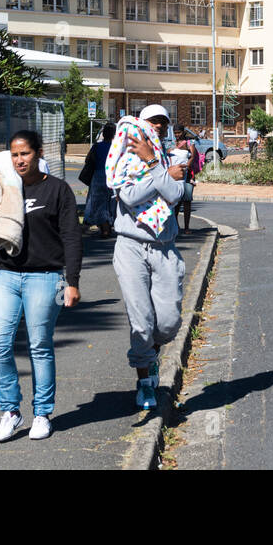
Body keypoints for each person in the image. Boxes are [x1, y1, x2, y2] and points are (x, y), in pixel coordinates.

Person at [0, 130, 82, 442]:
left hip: (45, 276)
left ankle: (41, 414)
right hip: (6, 275)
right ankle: (10, 411)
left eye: (25, 153)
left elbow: (71, 237)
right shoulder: (5, 188)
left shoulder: (58, 190)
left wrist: (73, 282)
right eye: (14, 154)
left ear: (38, 153)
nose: (19, 160)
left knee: (39, 345)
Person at [107, 105, 187, 412]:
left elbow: (176, 194)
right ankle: (144, 380)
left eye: (163, 124)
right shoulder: (126, 156)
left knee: (167, 323)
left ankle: (150, 355)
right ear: (141, 125)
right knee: (141, 321)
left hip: (165, 246)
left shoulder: (168, 159)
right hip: (131, 245)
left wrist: (155, 164)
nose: (158, 128)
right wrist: (161, 176)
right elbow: (129, 197)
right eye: (153, 122)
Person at [79, 122, 117, 237]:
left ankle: (102, 227)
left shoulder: (96, 146)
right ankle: (108, 226)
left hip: (98, 176)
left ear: (103, 134)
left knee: (97, 203)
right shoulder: (116, 147)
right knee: (111, 203)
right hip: (112, 177)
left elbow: (88, 160)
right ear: (114, 134)